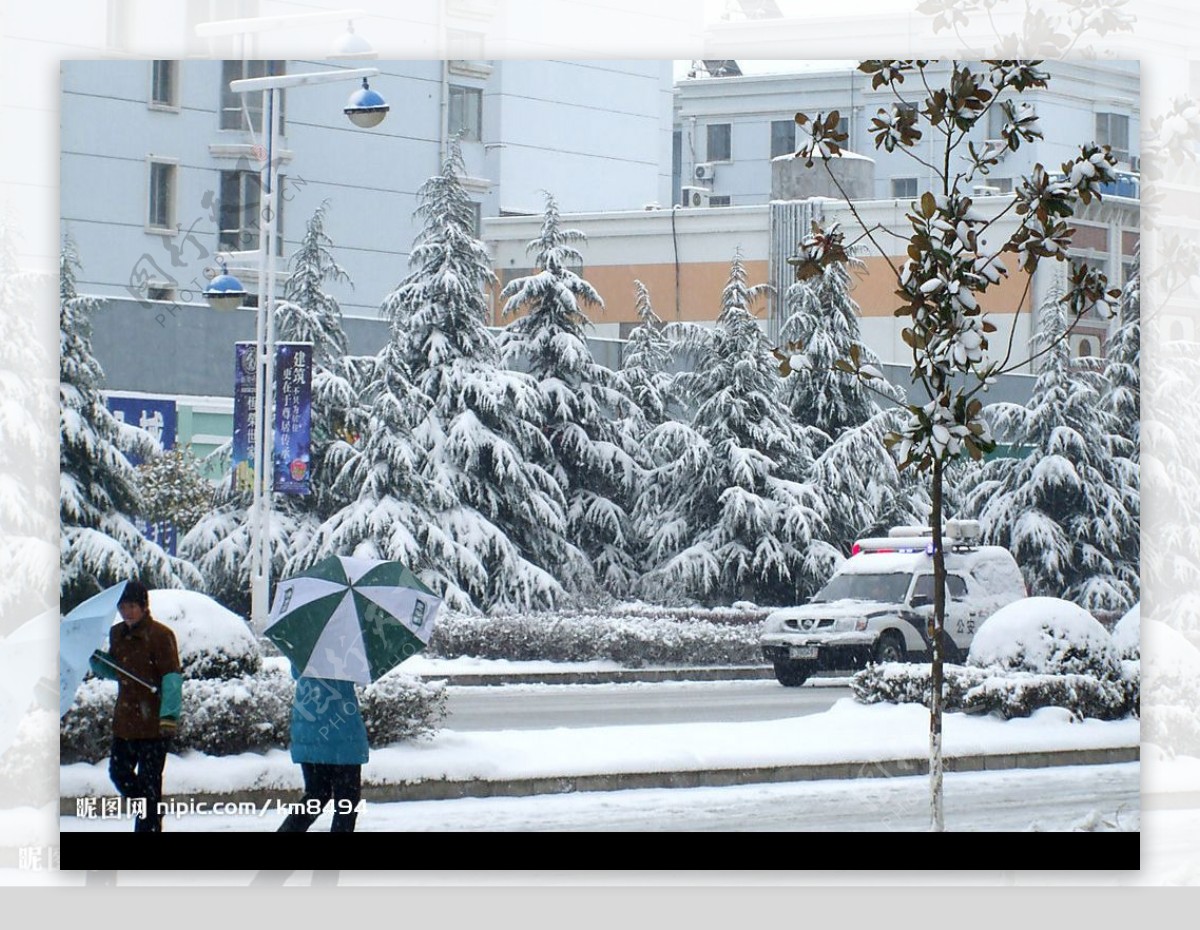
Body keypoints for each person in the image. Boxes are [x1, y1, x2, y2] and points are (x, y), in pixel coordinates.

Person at [88, 580, 182, 833]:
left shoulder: (161, 636)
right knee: (119, 773)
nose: (126, 612)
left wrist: (169, 716)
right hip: (126, 722)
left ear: (143, 606)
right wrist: (97, 661)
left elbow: (172, 678)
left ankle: (148, 825)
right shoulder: (117, 634)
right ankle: (150, 810)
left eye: (131, 606)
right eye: (122, 607)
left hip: (154, 725)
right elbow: (118, 671)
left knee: (150, 783)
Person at [277, 670, 369, 832]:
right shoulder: (347, 653)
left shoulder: (302, 651)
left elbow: (296, 673)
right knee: (347, 801)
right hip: (343, 736)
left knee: (317, 794)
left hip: (309, 734)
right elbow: (363, 676)